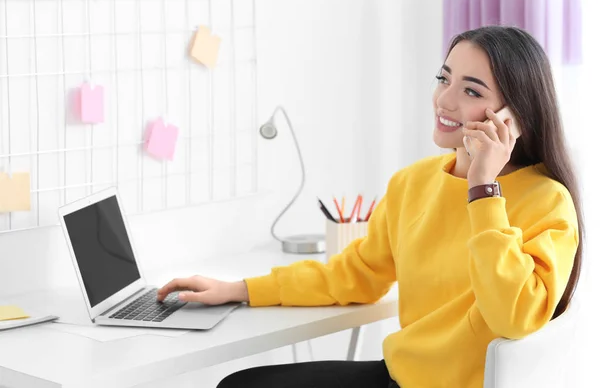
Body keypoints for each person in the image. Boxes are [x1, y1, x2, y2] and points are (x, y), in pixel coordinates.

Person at [156, 26, 583, 388]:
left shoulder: (547, 202)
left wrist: (484, 191)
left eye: (470, 91)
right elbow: (354, 275)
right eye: (443, 78)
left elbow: (513, 317)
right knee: (240, 384)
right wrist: (239, 290)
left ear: (515, 118)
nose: (444, 100)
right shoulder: (413, 183)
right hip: (401, 376)